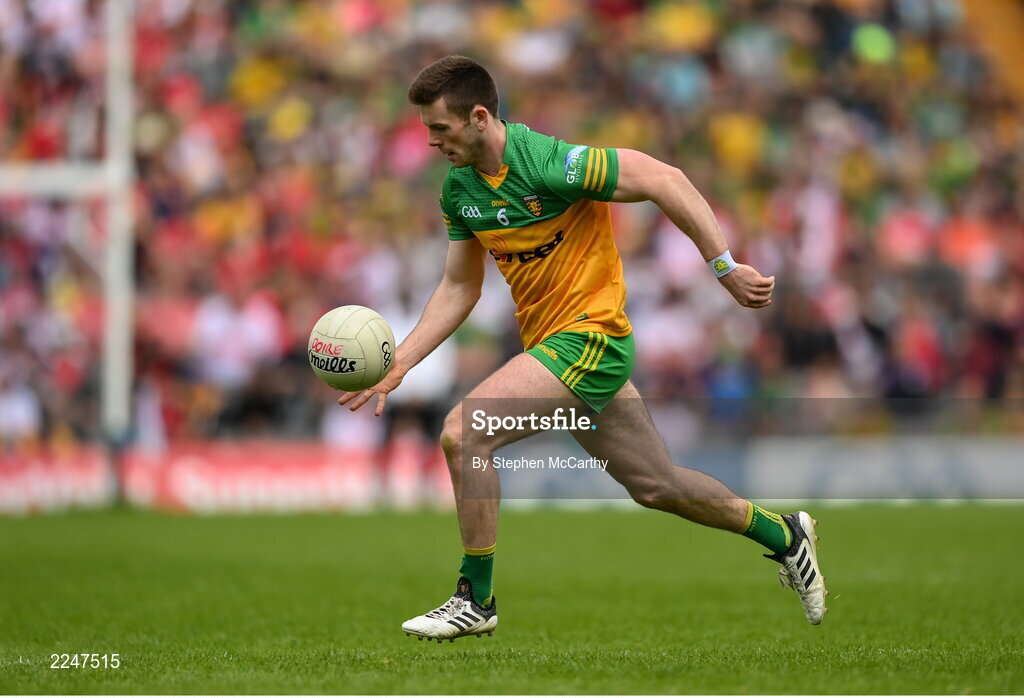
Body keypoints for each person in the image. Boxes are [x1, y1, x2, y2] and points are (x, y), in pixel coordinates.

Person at [339, 56, 828, 642]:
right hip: (555, 348)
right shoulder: (459, 190)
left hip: (593, 337)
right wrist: (403, 360)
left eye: (439, 129)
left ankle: (477, 597)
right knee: (657, 486)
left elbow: (664, 179)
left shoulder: (551, 163)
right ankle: (786, 535)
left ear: (477, 117)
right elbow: (461, 285)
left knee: (464, 433)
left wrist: (722, 266)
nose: (430, 142)